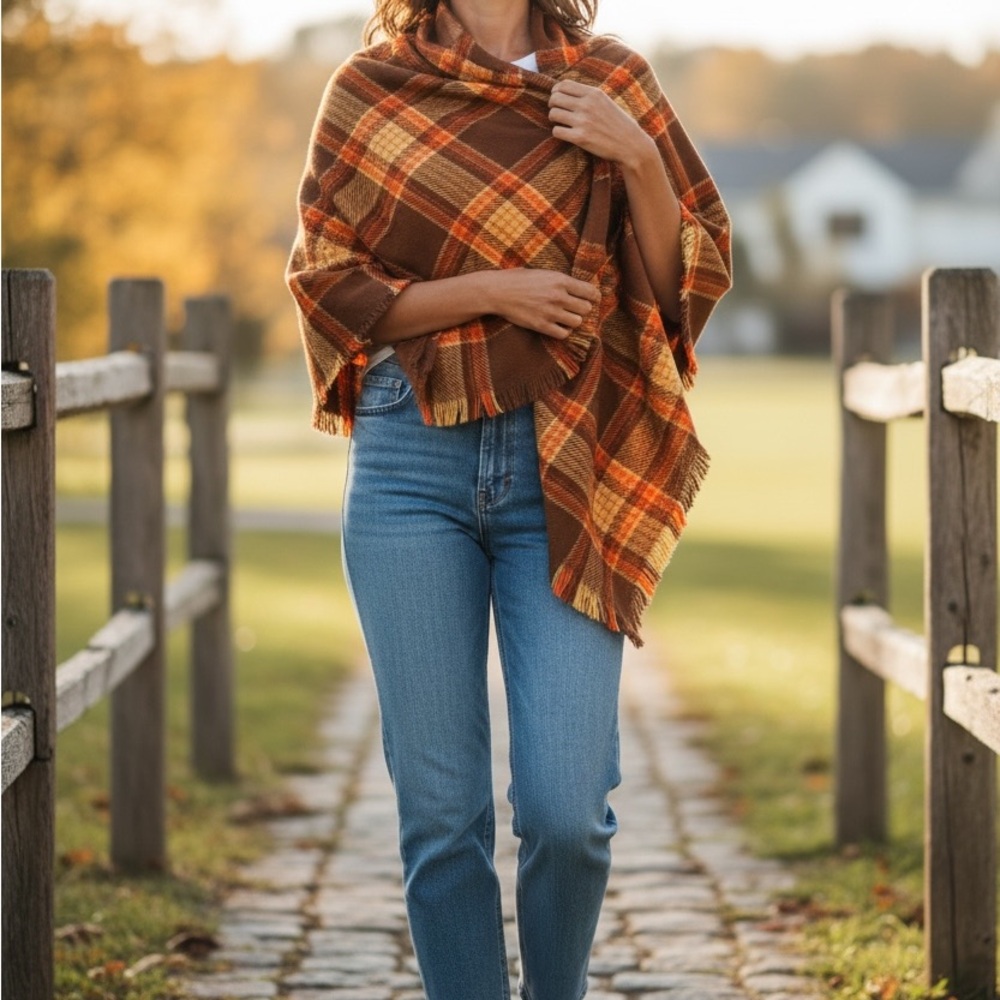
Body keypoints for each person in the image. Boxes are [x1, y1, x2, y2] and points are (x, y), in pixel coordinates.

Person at [286, 1, 730, 996]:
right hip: (411, 460)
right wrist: (498, 289)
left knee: (568, 813)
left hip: (567, 456)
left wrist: (638, 157)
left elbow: (681, 287)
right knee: (441, 816)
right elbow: (325, 281)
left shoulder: (610, 80)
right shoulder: (371, 88)